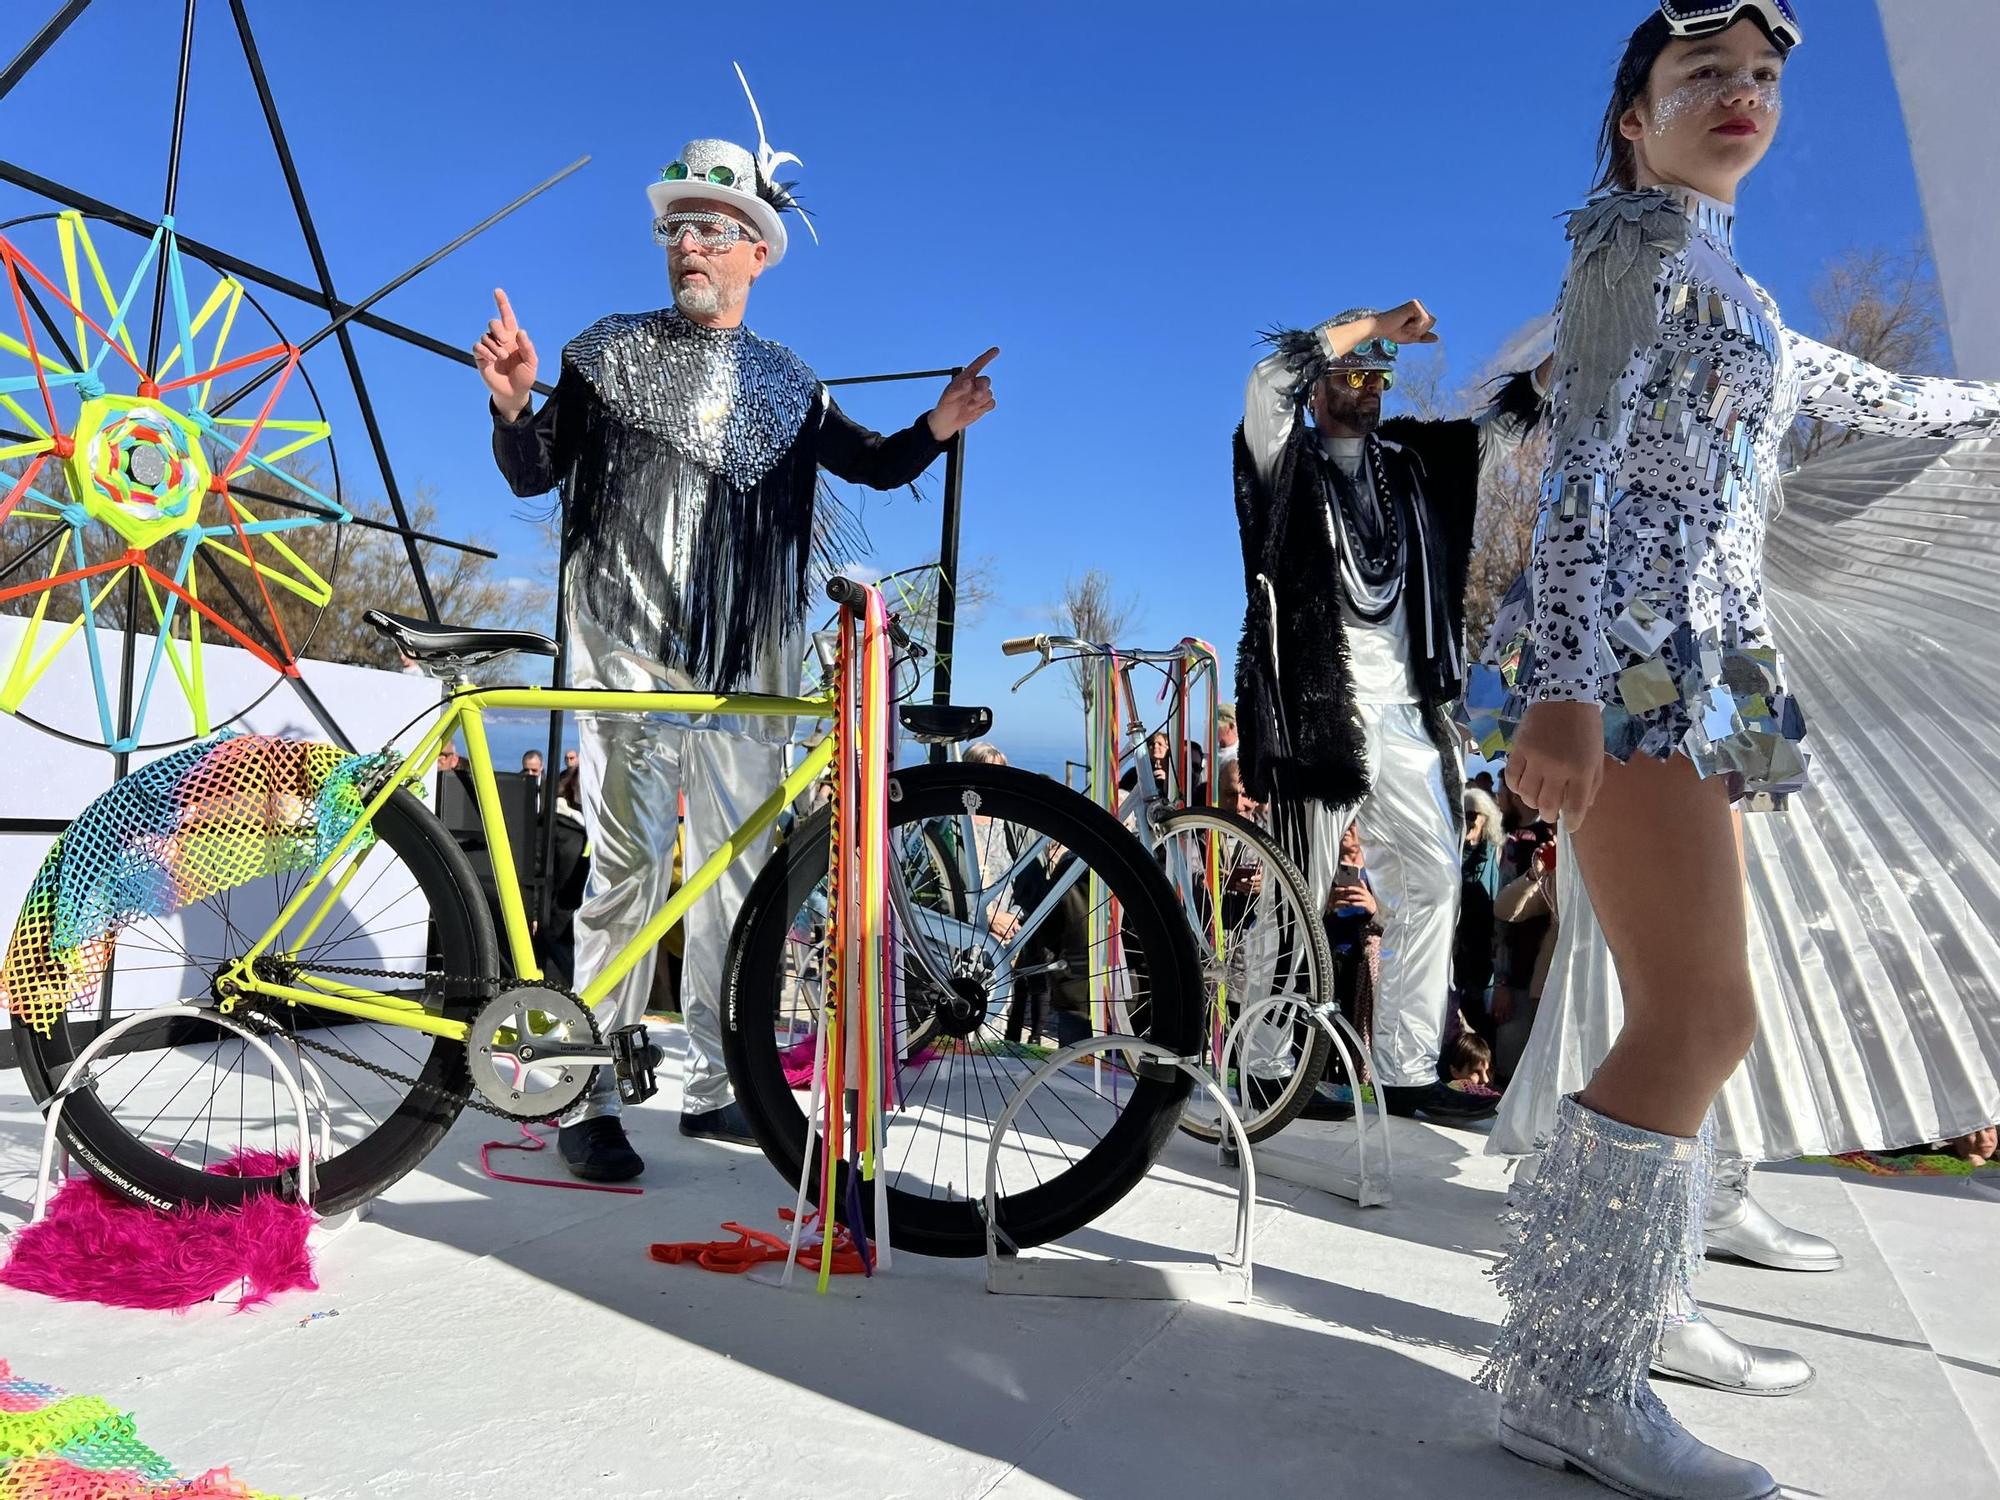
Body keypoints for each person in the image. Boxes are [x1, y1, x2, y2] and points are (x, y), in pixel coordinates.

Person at [1472, 6, 2000, 1494]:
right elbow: (1576, 464)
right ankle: (1571, 1381)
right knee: (1701, 1019)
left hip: (1696, 676)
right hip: (1625, 673)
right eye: (1704, 74)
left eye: (1762, 78)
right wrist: (1565, 691)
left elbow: (1885, 399)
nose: (1742, 95)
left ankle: (1648, 1307)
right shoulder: (1628, 250)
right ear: (1634, 115)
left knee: (1676, 1002)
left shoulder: (1738, 293)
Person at [478, 95, 998, 1183]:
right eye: (676, 227)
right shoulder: (604, 353)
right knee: (626, 864)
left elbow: (876, 465)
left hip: (747, 656)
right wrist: (516, 406)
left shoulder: (791, 385)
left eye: (713, 229)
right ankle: (585, 1088)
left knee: (738, 870)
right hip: (626, 643)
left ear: (759, 250)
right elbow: (535, 474)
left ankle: (720, 1079)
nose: (688, 246)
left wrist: (938, 428)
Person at [1233, 299, 1545, 1123]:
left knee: (1437, 878)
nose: (1366, 387)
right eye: (1351, 373)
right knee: (1296, 889)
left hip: (1406, 709)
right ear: (1323, 380)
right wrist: (1371, 326)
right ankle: (1267, 1066)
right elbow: (1268, 377)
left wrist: (1568, 353)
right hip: (1317, 706)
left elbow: (1499, 430)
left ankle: (1405, 1070)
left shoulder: (1410, 463)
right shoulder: (1281, 458)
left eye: (1377, 377)